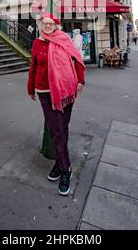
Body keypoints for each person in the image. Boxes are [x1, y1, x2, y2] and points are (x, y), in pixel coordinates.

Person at [27, 12, 85, 196]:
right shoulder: (37, 42)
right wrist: (30, 87)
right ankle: (66, 168)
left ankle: (59, 164)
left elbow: (77, 61)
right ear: (41, 25)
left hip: (67, 89)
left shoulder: (64, 40)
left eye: (51, 23)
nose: (47, 26)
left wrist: (81, 81)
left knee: (63, 127)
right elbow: (33, 66)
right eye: (45, 23)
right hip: (44, 91)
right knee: (56, 130)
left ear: (56, 25)